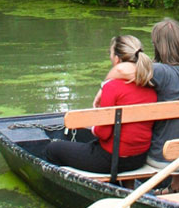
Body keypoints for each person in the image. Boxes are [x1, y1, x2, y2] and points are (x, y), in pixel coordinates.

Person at [93, 18, 179, 194]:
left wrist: (103, 89)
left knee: (131, 138)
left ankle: (129, 189)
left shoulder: (161, 72)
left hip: (165, 156)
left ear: (158, 46)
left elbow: (120, 70)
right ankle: (176, 186)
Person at [45, 35, 157, 174]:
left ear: (116, 59)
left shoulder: (112, 87)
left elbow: (103, 133)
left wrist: (92, 126)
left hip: (111, 159)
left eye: (110, 53)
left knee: (53, 149)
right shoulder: (151, 86)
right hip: (138, 159)